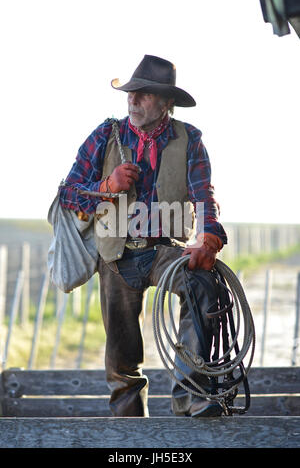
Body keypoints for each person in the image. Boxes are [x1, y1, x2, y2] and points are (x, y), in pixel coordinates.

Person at [59, 55, 228, 417]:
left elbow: (203, 194)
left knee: (202, 283)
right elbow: (68, 193)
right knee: (121, 358)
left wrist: (208, 235)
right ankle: (130, 429)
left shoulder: (189, 139)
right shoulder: (105, 135)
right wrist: (108, 185)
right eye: (131, 94)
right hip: (117, 256)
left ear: (165, 103)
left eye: (143, 94)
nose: (132, 100)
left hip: (165, 251)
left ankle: (192, 394)